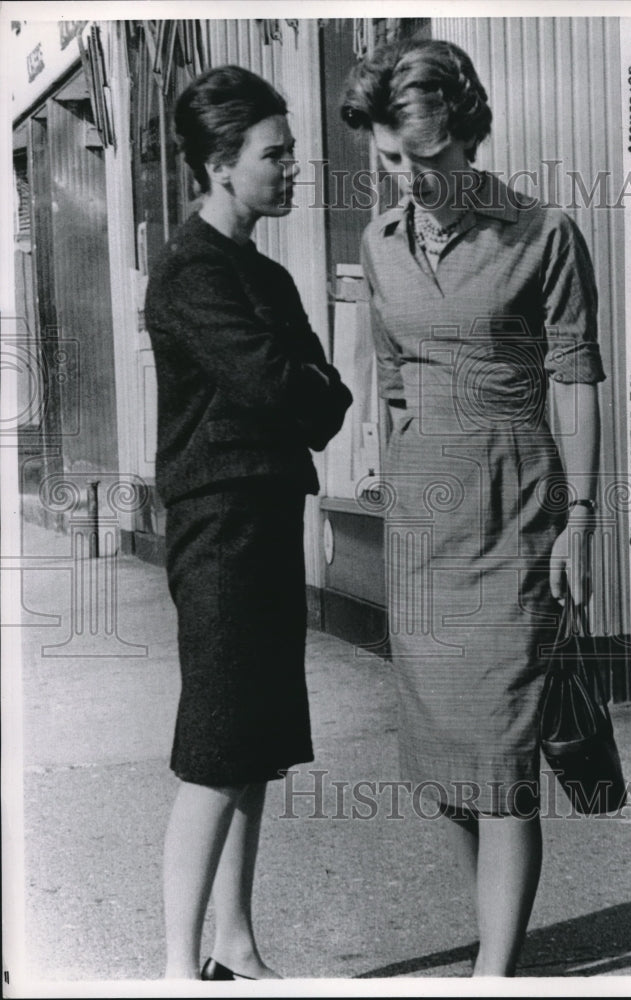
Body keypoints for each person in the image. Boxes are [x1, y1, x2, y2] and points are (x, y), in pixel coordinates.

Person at [341, 39, 605, 976]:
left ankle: (494, 974)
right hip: (424, 525)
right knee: (448, 761)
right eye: (389, 162)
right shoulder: (378, 243)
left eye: (425, 159)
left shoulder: (543, 233)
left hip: (517, 511)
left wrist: (581, 518)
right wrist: (376, 455)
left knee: (501, 757)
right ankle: (494, 945)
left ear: (467, 133)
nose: (408, 179)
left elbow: (575, 379)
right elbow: (395, 371)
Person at [145, 65, 352, 980]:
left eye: (292, 150)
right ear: (223, 164)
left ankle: (235, 942)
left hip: (267, 519)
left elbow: (325, 401)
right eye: (277, 153)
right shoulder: (190, 268)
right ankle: (175, 971)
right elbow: (281, 383)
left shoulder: (262, 272)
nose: (293, 167)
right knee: (220, 746)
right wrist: (296, 384)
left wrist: (297, 386)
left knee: (255, 745)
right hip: (219, 529)